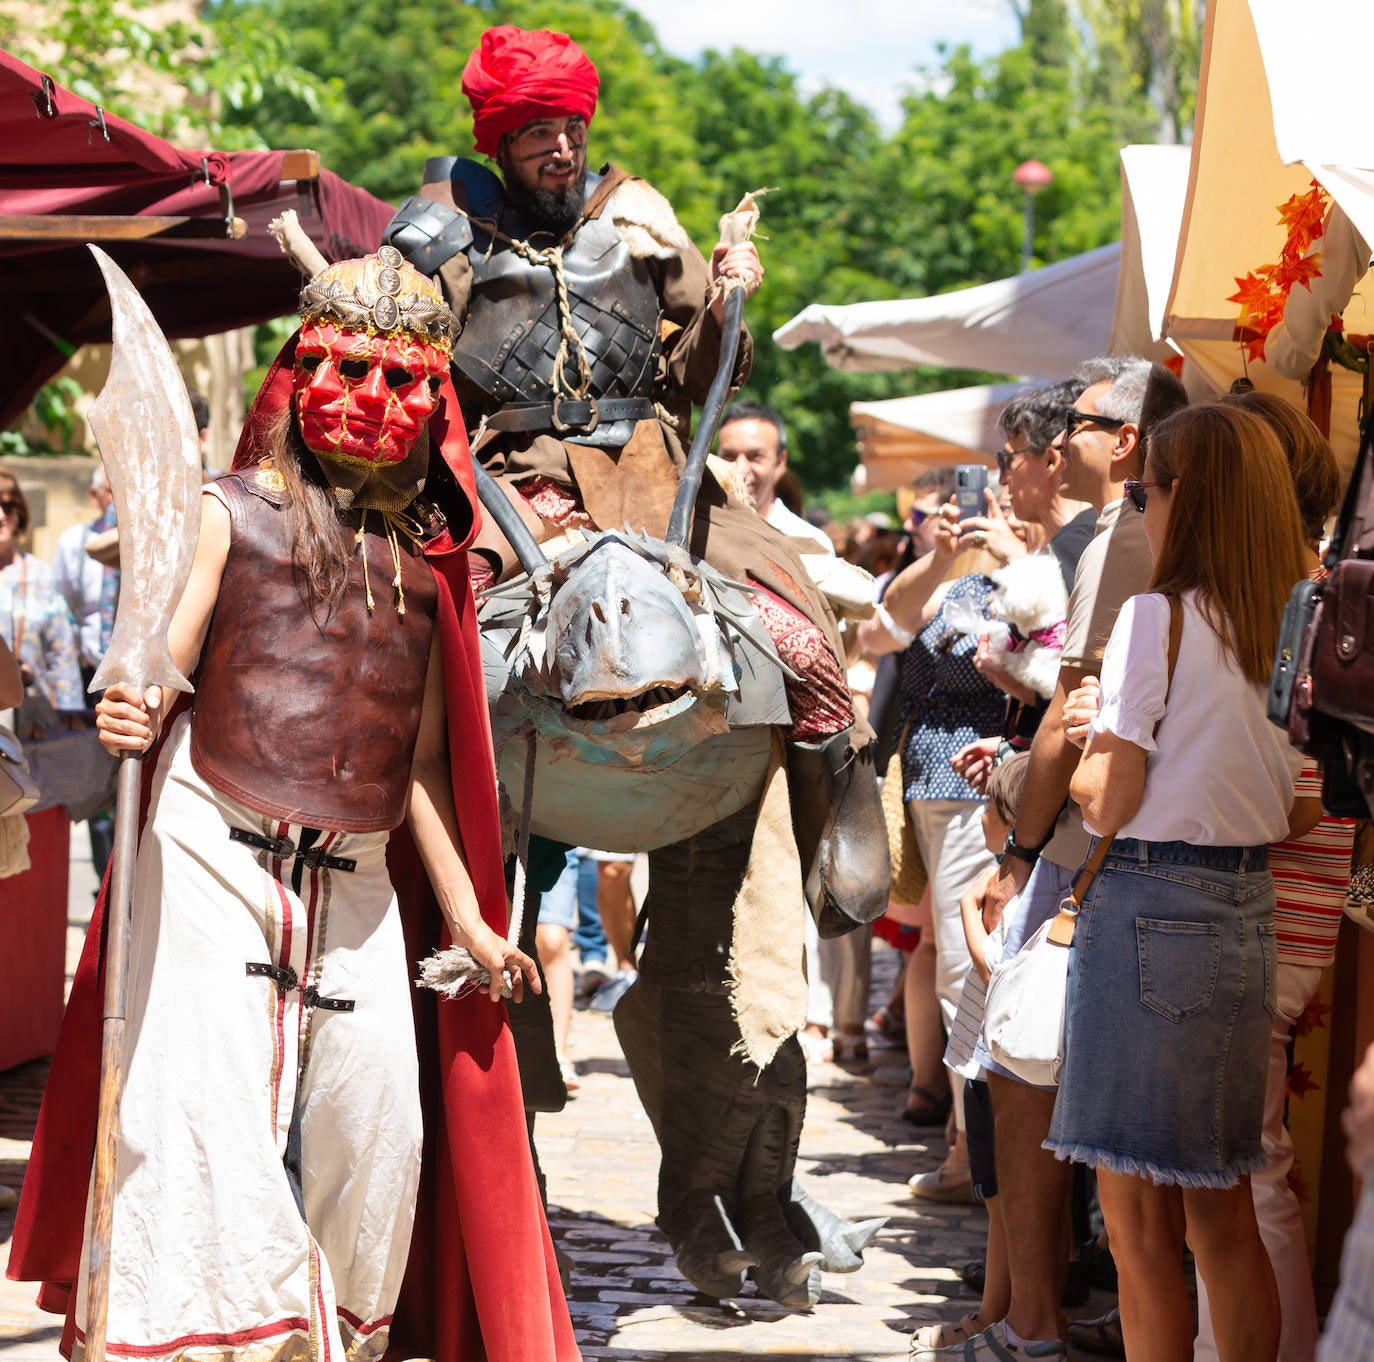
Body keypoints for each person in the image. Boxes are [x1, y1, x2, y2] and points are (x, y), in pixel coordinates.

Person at [9, 251, 580, 1362]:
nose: (372, 403)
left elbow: (417, 768)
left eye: (400, 382)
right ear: (300, 374)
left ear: (430, 402)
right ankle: (222, 1340)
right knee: (202, 1119)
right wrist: (132, 700)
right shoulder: (230, 513)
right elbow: (161, 665)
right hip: (212, 843)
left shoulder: (429, 562)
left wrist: (466, 918)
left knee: (381, 1134)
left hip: (358, 878)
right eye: (346, 371)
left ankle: (335, 1339)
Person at [924, 359, 1186, 1361]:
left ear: (1124, 439)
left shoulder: (1120, 534)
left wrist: (1021, 851)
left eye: (1075, 422)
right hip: (1143, 849)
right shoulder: (1132, 533)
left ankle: (1031, 1320)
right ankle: (1026, 1312)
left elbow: (1079, 730)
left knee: (1023, 1075)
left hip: (1092, 849)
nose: (1053, 441)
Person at [1050, 401, 1308, 1362]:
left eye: (1142, 489)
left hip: (1153, 905)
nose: (1137, 506)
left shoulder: (1155, 619)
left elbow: (1107, 803)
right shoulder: (1290, 620)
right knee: (1225, 1216)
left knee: (1141, 1231)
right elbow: (1296, 805)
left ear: (1182, 498)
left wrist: (1084, 743)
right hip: (1246, 908)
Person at [50, 462, 119, 876]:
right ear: (95, 496)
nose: (116, 498)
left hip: (139, 677)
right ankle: (103, 878)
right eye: (109, 490)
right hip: (91, 675)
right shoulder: (74, 543)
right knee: (97, 790)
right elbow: (65, 608)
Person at [717, 400, 834, 552]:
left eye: (755, 456)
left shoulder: (810, 543)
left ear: (779, 462)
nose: (740, 468)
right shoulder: (695, 532)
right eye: (729, 456)